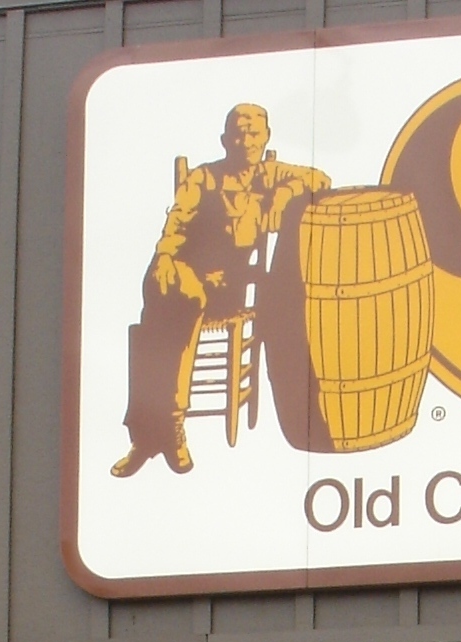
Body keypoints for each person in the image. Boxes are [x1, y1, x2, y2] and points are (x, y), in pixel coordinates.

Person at [112, 102, 328, 478]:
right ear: (225, 139)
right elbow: (176, 226)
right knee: (167, 302)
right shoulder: (203, 178)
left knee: (160, 323)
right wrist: (163, 260)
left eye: (254, 134)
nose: (246, 141)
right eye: (238, 134)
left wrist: (284, 194)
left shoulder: (272, 175)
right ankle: (163, 431)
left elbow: (320, 179)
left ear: (266, 138)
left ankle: (153, 433)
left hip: (226, 287)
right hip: (183, 276)